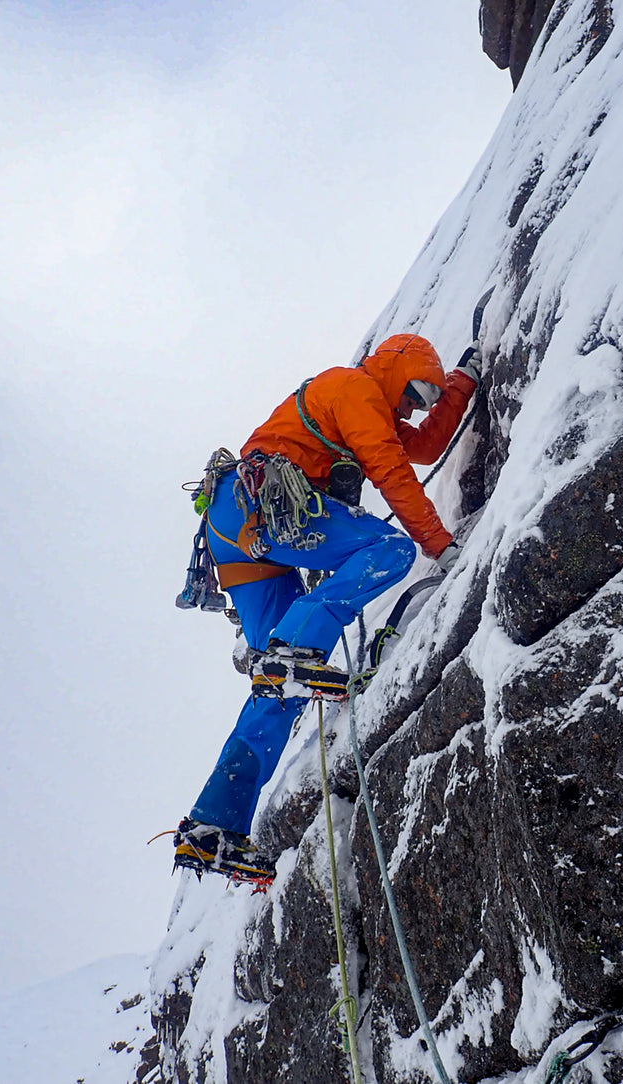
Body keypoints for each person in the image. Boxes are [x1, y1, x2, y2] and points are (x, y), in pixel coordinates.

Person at [174, 332, 481, 879]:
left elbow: (426, 446)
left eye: (423, 400)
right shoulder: (355, 387)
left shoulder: (369, 406)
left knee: (281, 689)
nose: (415, 406)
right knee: (389, 548)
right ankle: (292, 649)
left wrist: (460, 384)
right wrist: (442, 545)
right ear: (393, 370)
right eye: (414, 391)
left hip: (237, 531)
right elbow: (391, 471)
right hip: (264, 505)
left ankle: (212, 827)